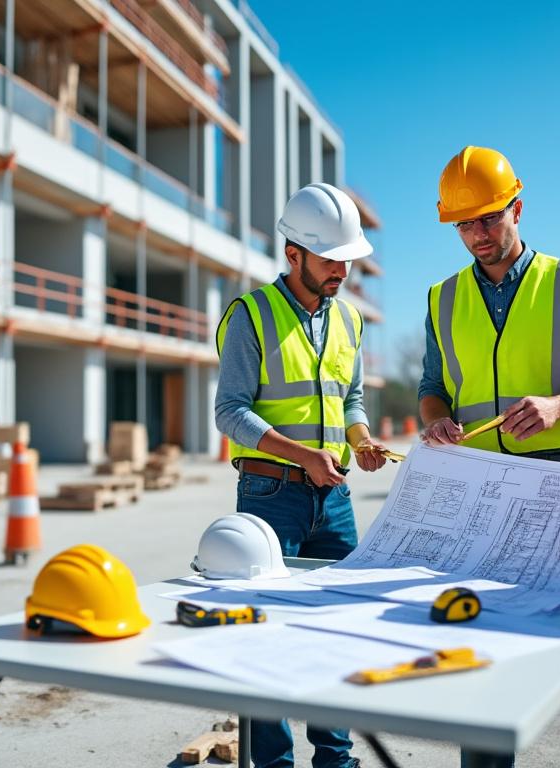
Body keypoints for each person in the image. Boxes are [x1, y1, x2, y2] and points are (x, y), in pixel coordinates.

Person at [418, 146, 560, 767]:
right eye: (464, 224)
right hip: (479, 491)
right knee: (481, 646)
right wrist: (437, 425)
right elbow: (434, 388)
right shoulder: (441, 298)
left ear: (517, 207)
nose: (478, 236)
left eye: (488, 219)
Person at [214, 182, 386, 768]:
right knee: (266, 635)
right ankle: (272, 763)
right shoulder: (251, 316)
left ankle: (335, 760)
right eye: (330, 259)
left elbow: (352, 398)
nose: (343, 270)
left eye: (348, 259)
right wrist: (302, 454)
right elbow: (230, 411)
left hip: (332, 497)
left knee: (340, 628)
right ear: (294, 255)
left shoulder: (349, 320)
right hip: (270, 496)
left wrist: (360, 440)